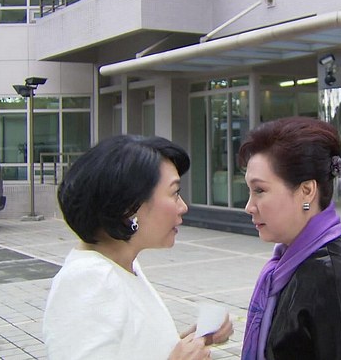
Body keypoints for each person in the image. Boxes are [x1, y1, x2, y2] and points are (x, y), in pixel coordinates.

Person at [43, 135, 233, 360]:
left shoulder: (121, 266)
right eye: (174, 193)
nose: (183, 207)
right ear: (129, 206)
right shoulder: (90, 280)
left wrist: (194, 342)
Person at [238, 116, 341, 360]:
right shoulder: (289, 262)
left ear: (307, 191)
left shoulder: (333, 278)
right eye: (249, 191)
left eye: (260, 190)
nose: (249, 206)